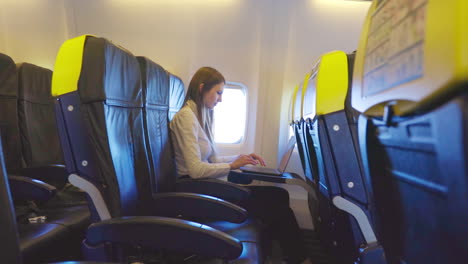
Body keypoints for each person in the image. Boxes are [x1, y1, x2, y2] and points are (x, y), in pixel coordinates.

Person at [170, 67, 310, 264]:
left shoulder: (200, 116)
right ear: (202, 88)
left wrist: (240, 157)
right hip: (196, 188)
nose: (220, 99)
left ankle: (279, 255)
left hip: (207, 183)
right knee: (275, 203)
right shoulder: (186, 117)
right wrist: (233, 165)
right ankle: (299, 259)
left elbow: (213, 159)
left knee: (280, 195)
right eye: (218, 93)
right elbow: (195, 170)